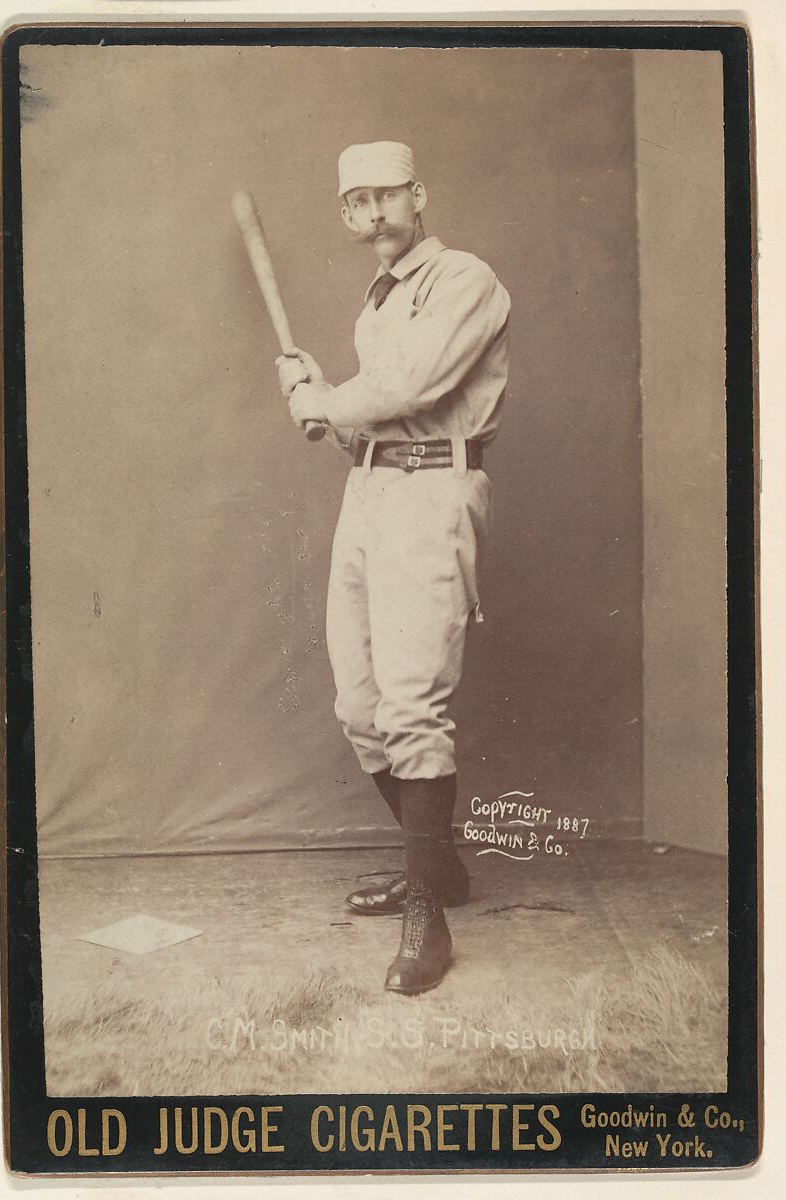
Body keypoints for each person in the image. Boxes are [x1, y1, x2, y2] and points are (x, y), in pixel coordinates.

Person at [276, 141, 510, 994]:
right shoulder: (377, 299)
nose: (373, 213)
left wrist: (328, 401)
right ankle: (436, 869)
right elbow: (370, 415)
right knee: (360, 707)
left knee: (412, 705)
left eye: (387, 195)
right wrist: (318, 392)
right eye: (356, 201)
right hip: (370, 494)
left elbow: (414, 386)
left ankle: (429, 913)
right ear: (347, 214)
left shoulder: (465, 281)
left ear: (419, 194)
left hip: (432, 495)